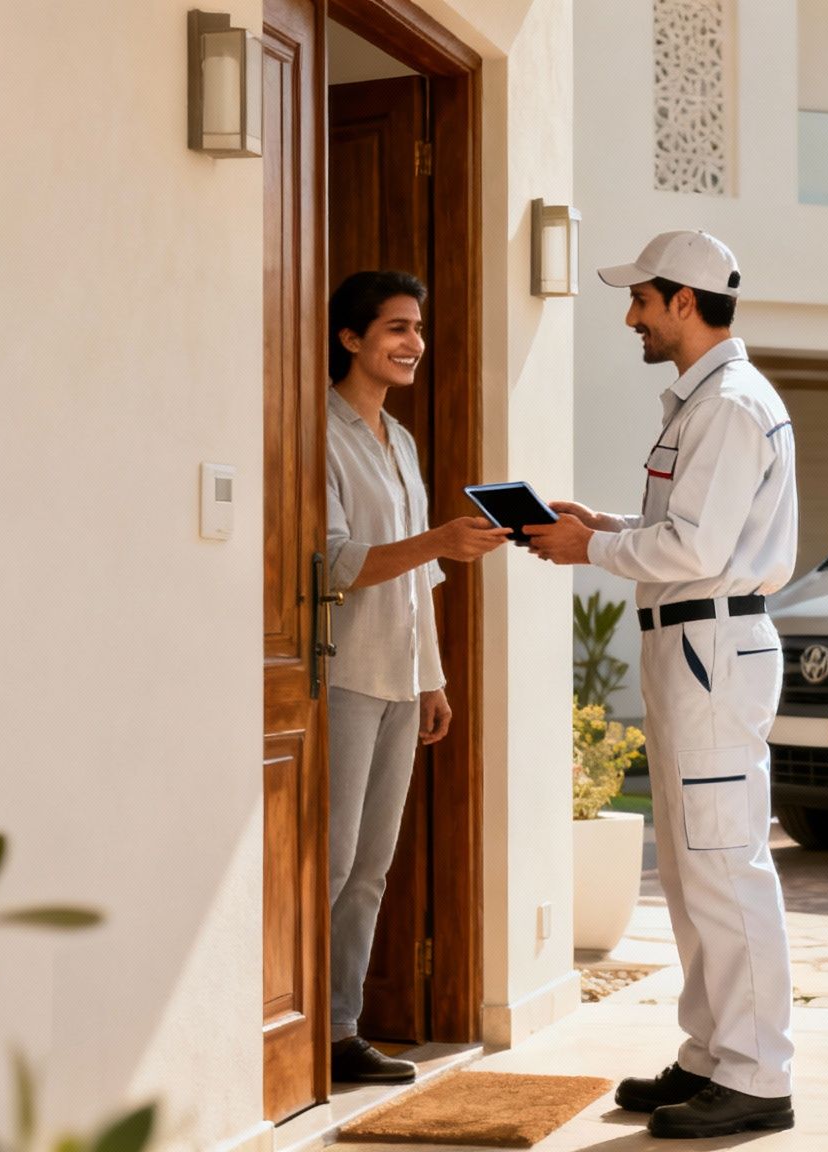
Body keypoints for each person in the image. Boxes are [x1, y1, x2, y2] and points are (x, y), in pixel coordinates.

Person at [529, 231, 799, 1139]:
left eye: (641, 298)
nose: (631, 315)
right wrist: (602, 521)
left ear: (685, 301)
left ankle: (759, 1076)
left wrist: (591, 547)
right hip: (694, 647)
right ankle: (711, 1056)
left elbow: (697, 550)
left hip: (710, 650)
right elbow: (686, 529)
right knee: (693, 870)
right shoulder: (705, 403)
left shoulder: (725, 404)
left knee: (724, 866)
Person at [323, 270, 509, 1083]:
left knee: (371, 868)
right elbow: (334, 564)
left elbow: (418, 583)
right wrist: (437, 540)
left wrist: (432, 678)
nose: (414, 344)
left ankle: (338, 1029)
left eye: (419, 330)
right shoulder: (314, 433)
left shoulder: (399, 442)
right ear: (351, 338)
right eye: (397, 328)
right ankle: (288, 1030)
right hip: (343, 678)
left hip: (401, 679)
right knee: (327, 864)